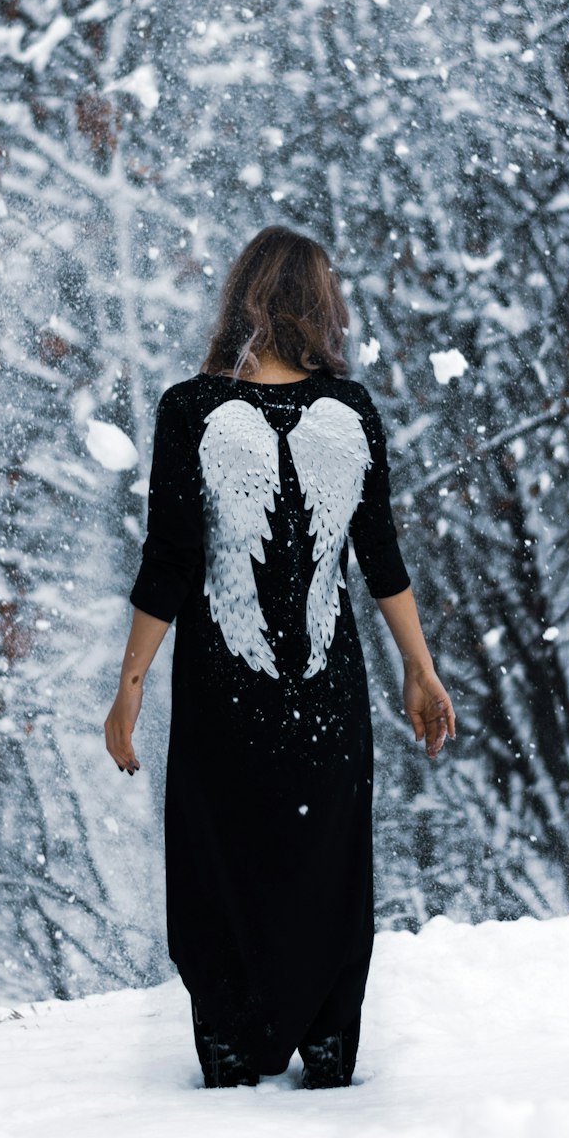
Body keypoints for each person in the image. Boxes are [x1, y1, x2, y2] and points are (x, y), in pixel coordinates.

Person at [103, 225, 456, 1089]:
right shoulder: (353, 410)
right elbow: (380, 554)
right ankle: (329, 1037)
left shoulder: (190, 408)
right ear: (317, 305)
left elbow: (174, 560)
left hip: (227, 692)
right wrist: (419, 666)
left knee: (219, 851)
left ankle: (229, 1037)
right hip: (327, 687)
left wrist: (131, 683)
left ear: (243, 299)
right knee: (326, 858)